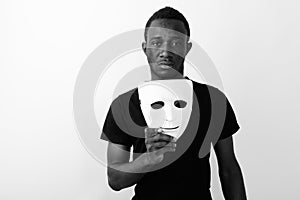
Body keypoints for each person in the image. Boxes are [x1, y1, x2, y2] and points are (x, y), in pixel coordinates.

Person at [101, 6, 247, 200]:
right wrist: (149, 160)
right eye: (156, 43)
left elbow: (229, 169)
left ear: (187, 48)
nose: (165, 51)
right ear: (145, 49)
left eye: (176, 43)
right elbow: (115, 180)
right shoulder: (124, 105)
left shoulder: (213, 100)